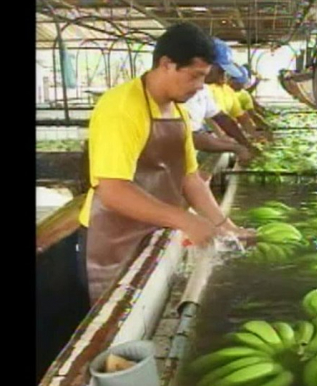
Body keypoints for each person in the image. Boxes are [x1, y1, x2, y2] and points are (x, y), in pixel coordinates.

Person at [78, 22, 253, 304]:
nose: (200, 87)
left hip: (152, 227)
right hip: (114, 237)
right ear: (167, 64)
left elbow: (189, 178)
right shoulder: (123, 108)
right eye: (195, 76)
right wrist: (185, 219)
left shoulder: (176, 110)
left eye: (204, 77)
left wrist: (225, 226)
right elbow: (112, 191)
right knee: (116, 321)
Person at [205, 38, 266, 141]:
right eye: (220, 71)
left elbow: (240, 116)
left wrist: (253, 135)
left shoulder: (226, 90)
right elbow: (209, 119)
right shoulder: (197, 91)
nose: (224, 76)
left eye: (226, 72)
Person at [228, 66, 273, 135]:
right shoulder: (218, 91)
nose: (241, 86)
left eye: (243, 84)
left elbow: (252, 114)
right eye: (239, 84)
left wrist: (266, 127)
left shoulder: (244, 95)